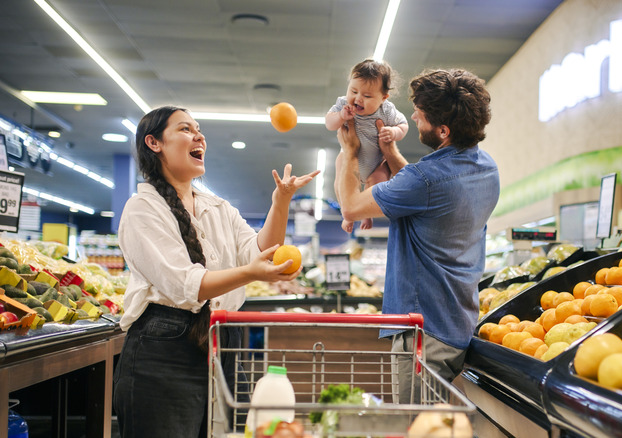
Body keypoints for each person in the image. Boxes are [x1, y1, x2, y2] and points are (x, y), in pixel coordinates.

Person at [113, 106, 318, 437]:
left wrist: (281, 202)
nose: (199, 136)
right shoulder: (142, 210)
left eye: (199, 128)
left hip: (222, 342)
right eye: (185, 129)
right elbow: (187, 284)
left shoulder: (218, 208)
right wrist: (252, 273)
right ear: (154, 143)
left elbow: (260, 253)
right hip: (164, 349)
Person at [335, 68, 500, 402]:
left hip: (423, 331)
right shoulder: (487, 168)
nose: (412, 116)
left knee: (416, 426)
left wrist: (349, 150)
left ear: (442, 130)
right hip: (458, 323)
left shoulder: (425, 180)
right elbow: (426, 189)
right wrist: (392, 155)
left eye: (421, 116)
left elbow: (351, 206)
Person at [325, 59, 409, 233]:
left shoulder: (387, 110)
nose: (358, 98)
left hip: (376, 163)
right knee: (340, 181)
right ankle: (346, 214)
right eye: (353, 91)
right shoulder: (343, 104)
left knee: (378, 183)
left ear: (383, 98)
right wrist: (341, 116)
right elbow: (329, 123)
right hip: (348, 158)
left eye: (367, 96)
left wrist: (394, 132)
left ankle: (366, 213)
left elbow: (403, 125)